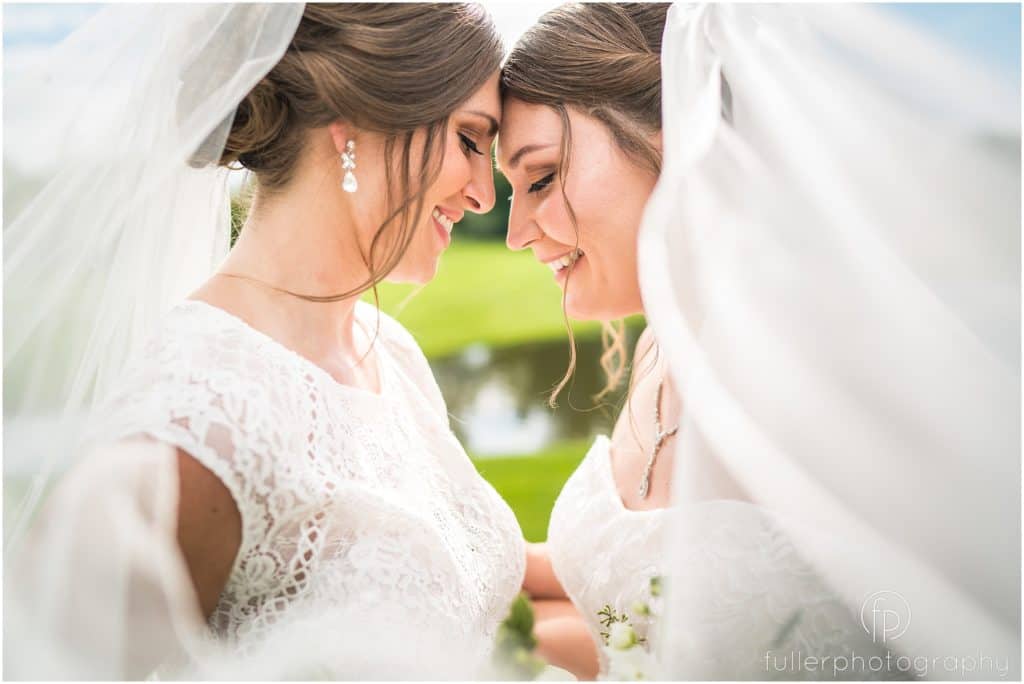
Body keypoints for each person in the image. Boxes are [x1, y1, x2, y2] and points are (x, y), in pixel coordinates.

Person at [498, 2, 1020, 680]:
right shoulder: (665, 343)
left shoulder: (830, 365)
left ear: (675, 132)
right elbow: (638, 600)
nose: (517, 234)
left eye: (540, 177)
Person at [5, 4, 525, 679]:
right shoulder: (202, 414)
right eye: (468, 139)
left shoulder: (386, 350)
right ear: (355, 128)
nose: (486, 193)